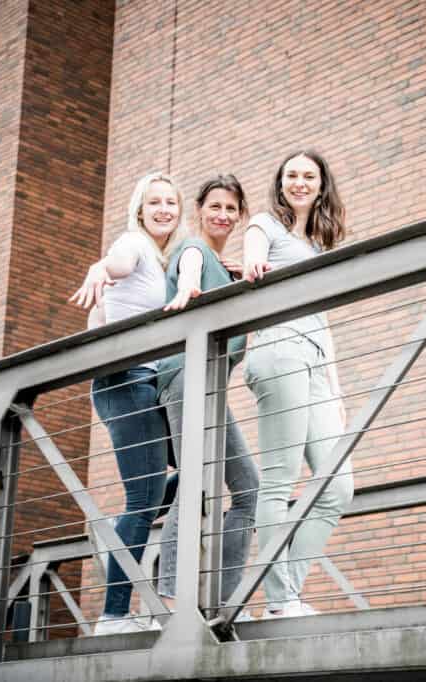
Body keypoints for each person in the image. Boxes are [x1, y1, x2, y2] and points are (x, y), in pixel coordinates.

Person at [69, 171, 187, 635]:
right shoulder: (133, 243)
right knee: (143, 497)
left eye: (171, 203)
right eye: (154, 201)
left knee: (196, 470)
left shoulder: (163, 260)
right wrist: (101, 269)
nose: (163, 209)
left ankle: (124, 546)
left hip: (148, 382)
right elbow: (115, 265)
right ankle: (114, 615)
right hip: (128, 380)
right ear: (140, 208)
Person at [241, 150, 354, 618]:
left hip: (316, 362)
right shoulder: (265, 226)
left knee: (337, 486)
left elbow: (323, 321)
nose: (300, 182)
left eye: (309, 176)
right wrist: (253, 267)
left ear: (322, 183)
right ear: (280, 182)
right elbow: (252, 257)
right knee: (279, 480)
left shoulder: (320, 244)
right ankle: (281, 600)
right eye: (292, 175)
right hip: (279, 349)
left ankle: (284, 592)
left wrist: (337, 387)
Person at [155, 175, 260, 617]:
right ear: (200, 209)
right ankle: (172, 600)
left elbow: (209, 267)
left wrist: (234, 274)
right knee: (195, 484)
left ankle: (223, 602)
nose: (223, 215)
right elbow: (192, 266)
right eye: (215, 206)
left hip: (212, 387)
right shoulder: (193, 251)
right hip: (187, 379)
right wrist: (187, 288)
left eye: (231, 209)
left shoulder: (223, 266)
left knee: (248, 488)